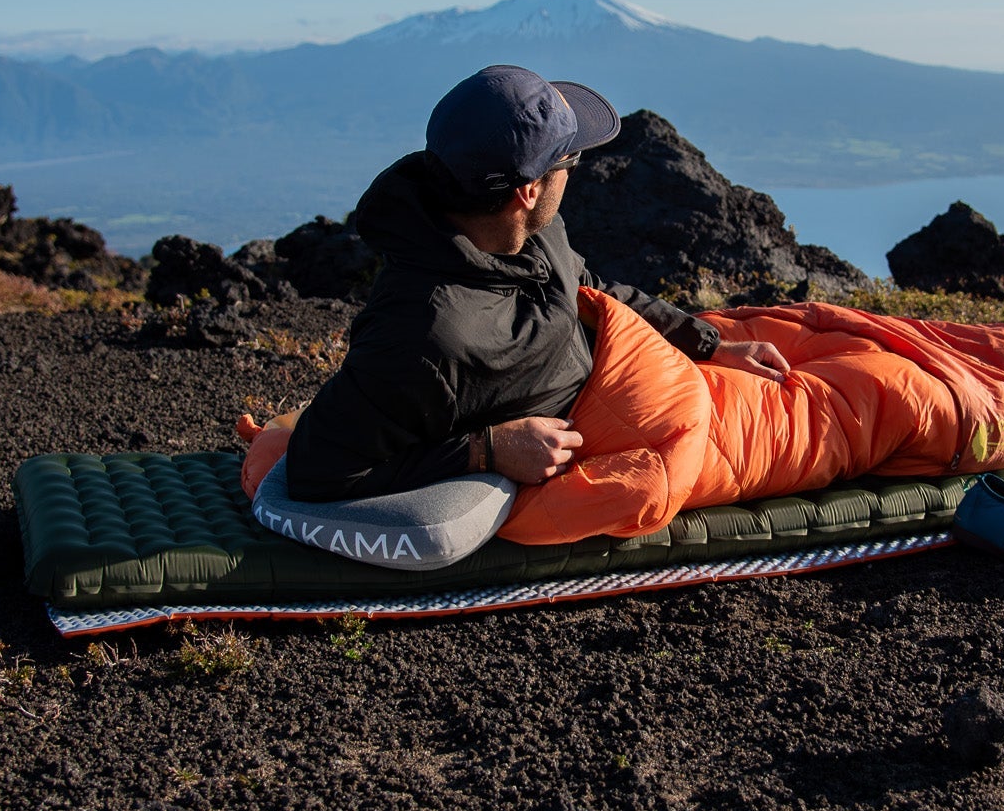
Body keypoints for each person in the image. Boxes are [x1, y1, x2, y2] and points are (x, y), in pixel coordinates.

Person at [281, 64, 791, 501]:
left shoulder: (533, 234)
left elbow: (591, 288)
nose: (575, 172)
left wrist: (710, 344)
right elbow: (317, 470)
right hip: (639, 438)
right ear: (528, 190)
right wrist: (486, 450)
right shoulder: (424, 333)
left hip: (652, 378)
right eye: (571, 161)